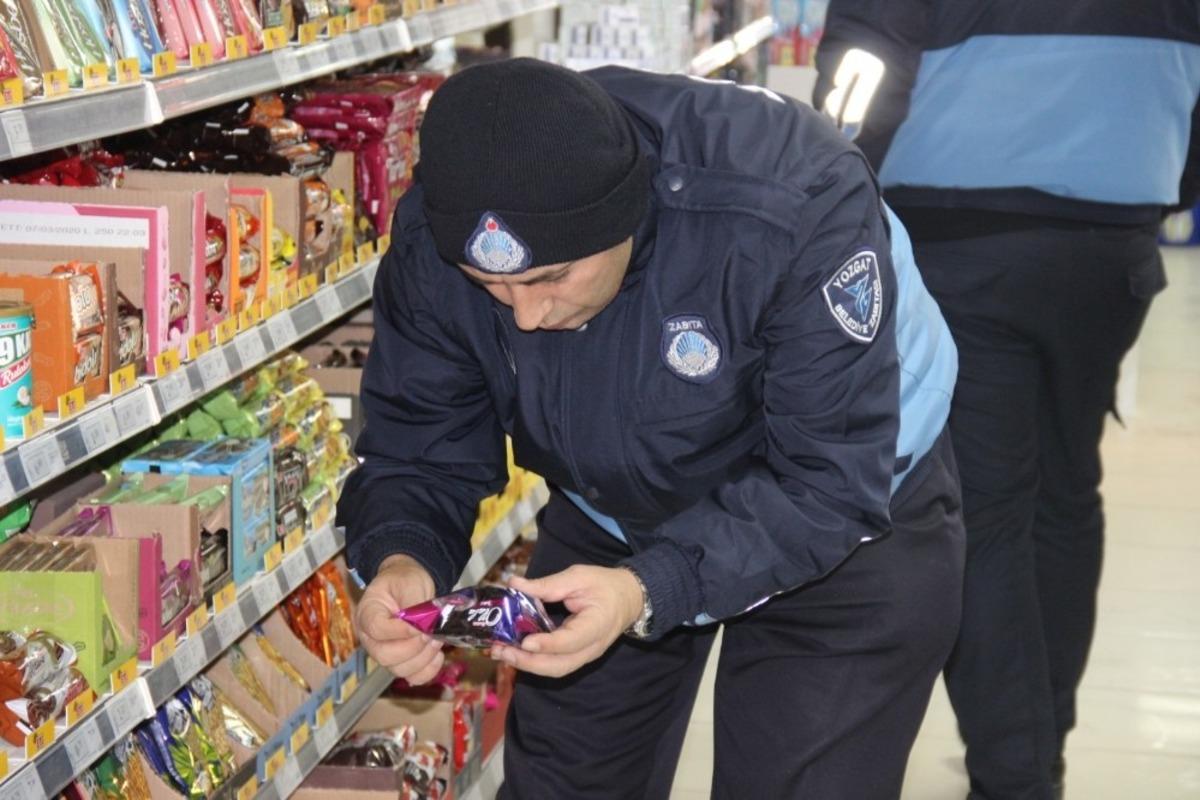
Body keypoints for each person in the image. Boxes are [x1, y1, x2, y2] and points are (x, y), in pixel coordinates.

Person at [338, 58, 964, 798]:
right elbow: (419, 441)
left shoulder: (791, 201)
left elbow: (827, 480)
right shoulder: (438, 234)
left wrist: (648, 590)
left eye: (549, 279)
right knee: (563, 785)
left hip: (839, 514)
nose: (525, 315)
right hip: (614, 508)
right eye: (491, 286)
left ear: (624, 218)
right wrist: (402, 558)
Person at [814, 4, 1200, 799]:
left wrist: (835, 190)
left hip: (963, 238)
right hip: (1115, 240)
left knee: (987, 514)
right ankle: (1037, 737)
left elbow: (861, 71)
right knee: (1066, 493)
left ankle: (1017, 775)